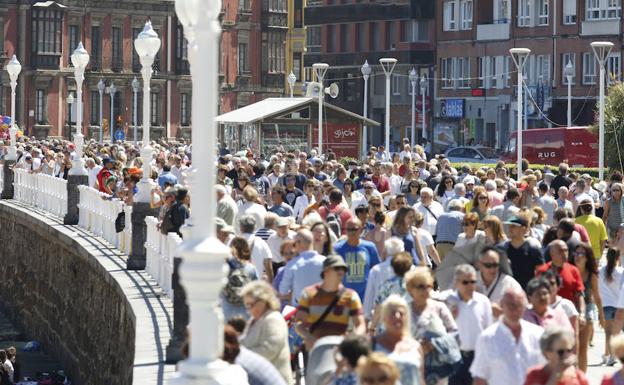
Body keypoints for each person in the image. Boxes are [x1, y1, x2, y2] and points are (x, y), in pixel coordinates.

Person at [470, 288, 545, 385]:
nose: (515, 311)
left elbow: (547, 369)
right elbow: (480, 377)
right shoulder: (487, 338)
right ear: (502, 305)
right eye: (511, 306)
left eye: (519, 306)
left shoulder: (537, 334)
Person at [294, 254, 366, 350]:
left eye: (344, 269)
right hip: (315, 349)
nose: (341, 271)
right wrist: (309, 338)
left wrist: (351, 341)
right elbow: (299, 323)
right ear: (325, 271)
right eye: (337, 268)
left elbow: (360, 324)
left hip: (340, 349)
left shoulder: (351, 296)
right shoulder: (308, 294)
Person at [446, 264, 494, 385]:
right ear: (457, 282)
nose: (470, 286)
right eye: (465, 282)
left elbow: (489, 331)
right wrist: (450, 316)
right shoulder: (448, 301)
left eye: (473, 282)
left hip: (477, 357)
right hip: (454, 358)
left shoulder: (483, 301)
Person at [239, 281, 292, 384]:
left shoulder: (273, 319)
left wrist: (240, 356)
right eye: (246, 305)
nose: (248, 309)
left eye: (250, 304)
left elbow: (270, 350)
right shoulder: (253, 320)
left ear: (262, 301)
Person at [372, 295, 425, 385]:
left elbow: (420, 380)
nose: (397, 316)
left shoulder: (416, 347)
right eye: (392, 313)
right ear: (384, 317)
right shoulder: (372, 344)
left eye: (401, 313)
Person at [573, 242, 605, 372]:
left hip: (587, 307)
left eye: (581, 254)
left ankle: (582, 378)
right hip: (570, 308)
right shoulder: (568, 269)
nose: (577, 256)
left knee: (582, 349)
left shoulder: (591, 274)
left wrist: (601, 316)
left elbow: (597, 296)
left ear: (587, 258)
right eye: (576, 253)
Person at [334, 218, 381, 301]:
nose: (351, 232)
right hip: (344, 297)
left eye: (354, 229)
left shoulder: (370, 247)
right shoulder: (337, 249)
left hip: (366, 297)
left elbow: (377, 270)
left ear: (361, 229)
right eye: (348, 229)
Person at [524, 327, 588, 385]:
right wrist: (557, 374)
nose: (566, 355)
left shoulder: (578, 376)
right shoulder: (535, 375)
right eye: (561, 352)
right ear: (547, 353)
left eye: (569, 351)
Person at [279, 228, 326, 306]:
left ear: (299, 243)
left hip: (300, 310)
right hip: (321, 308)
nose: (294, 247)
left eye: (294, 244)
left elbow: (283, 290)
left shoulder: (292, 264)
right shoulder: (325, 261)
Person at [369, 252, 413, 332]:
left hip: (387, 329)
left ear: (393, 267)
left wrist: (372, 328)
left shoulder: (384, 286)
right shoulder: (414, 286)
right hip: (409, 327)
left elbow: (378, 310)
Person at [363, 237, 405, 321]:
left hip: (381, 318)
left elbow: (369, 297)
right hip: (404, 317)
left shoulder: (376, 270)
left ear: (385, 251)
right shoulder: (411, 269)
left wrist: (367, 316)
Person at [498, 216, 544, 288]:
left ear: (524, 229)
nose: (510, 229)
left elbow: (541, 272)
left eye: (513, 226)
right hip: (506, 290)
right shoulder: (501, 249)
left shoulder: (533, 249)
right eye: (509, 226)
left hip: (526, 291)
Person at [476, 246, 522, 317]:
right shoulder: (469, 280)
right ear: (480, 265)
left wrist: (502, 313)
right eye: (488, 265)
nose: (492, 269)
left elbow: (523, 310)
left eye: (495, 265)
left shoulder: (509, 283)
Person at [599, 248, 624, 366]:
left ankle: (610, 355)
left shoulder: (600, 271)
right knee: (618, 332)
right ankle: (613, 355)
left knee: (608, 332)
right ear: (618, 258)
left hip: (606, 305)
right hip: (619, 304)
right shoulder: (621, 271)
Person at [238, 215, 274, 282]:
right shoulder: (262, 243)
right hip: (255, 284)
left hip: (238, 283)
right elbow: (268, 266)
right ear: (254, 227)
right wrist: (271, 283)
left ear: (241, 228)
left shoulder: (234, 241)